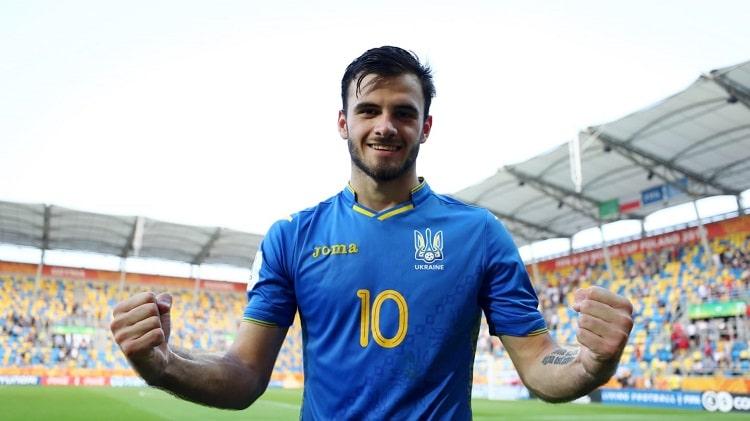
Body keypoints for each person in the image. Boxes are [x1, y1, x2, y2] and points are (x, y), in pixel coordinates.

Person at [110, 46, 634, 419]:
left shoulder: (479, 234)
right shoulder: (291, 236)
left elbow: (541, 364)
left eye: (404, 112)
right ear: (343, 122)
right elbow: (243, 375)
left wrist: (590, 362)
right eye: (368, 110)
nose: (385, 125)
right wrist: (162, 366)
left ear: (426, 126)